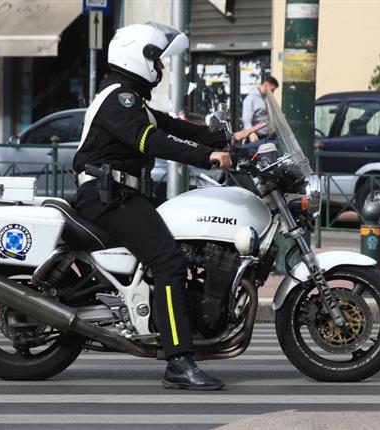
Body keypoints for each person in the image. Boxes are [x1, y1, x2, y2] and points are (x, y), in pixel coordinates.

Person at [72, 23, 256, 391]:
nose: (162, 68)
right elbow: (152, 140)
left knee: (184, 248)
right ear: (141, 58)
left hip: (122, 195)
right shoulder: (118, 99)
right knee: (167, 260)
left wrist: (225, 138)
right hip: (108, 198)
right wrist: (210, 158)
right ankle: (179, 363)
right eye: (158, 60)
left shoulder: (131, 100)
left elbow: (173, 126)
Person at [241, 75, 278, 142]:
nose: (272, 93)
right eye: (272, 90)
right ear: (266, 85)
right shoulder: (251, 98)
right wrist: (251, 133)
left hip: (266, 136)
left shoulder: (264, 97)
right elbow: (246, 119)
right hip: (255, 137)